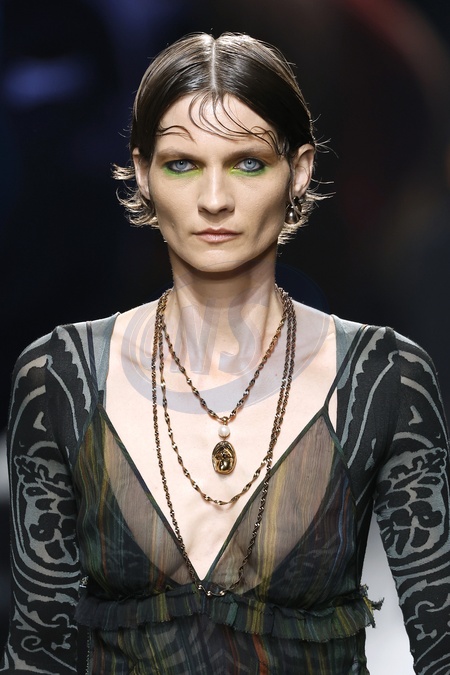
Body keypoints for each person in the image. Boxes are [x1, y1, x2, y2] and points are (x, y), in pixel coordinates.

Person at [1, 32, 449, 675]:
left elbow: (441, 635)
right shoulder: (59, 377)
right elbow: (39, 645)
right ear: (143, 174)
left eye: (247, 163)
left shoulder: (384, 378)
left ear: (299, 171)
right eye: (183, 164)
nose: (214, 200)